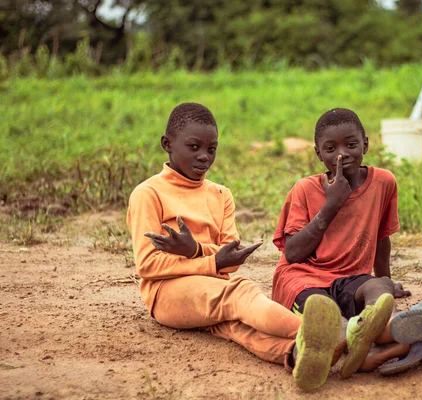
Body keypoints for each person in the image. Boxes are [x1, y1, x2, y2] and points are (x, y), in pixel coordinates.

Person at [126, 102, 342, 392]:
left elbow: (229, 260)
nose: (204, 157)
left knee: (236, 327)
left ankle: (295, 354)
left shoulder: (220, 195)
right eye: (194, 147)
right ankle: (324, 337)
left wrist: (199, 253)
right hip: (165, 294)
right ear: (167, 144)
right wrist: (208, 260)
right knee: (239, 293)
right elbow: (148, 266)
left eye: (211, 149)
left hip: (212, 288)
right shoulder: (148, 194)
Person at [271, 108, 422, 376]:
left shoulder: (383, 182)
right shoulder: (305, 189)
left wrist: (386, 282)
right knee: (325, 318)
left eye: (351, 145)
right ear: (318, 153)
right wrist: (332, 204)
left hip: (350, 278)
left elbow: (382, 240)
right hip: (302, 279)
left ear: (366, 144)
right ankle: (379, 347)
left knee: (377, 289)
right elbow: (292, 253)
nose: (342, 154)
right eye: (331, 148)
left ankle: (391, 329)